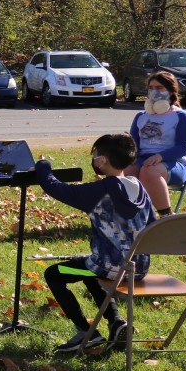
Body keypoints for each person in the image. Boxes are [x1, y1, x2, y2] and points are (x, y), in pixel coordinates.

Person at [36, 133, 155, 355]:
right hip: (137, 269)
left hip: (109, 268)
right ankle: (116, 322)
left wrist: (43, 166)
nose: (93, 158)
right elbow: (154, 226)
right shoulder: (139, 187)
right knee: (88, 268)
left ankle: (85, 332)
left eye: (95, 155)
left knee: (55, 273)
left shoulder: (100, 191)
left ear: (103, 160)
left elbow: (57, 188)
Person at [127, 71, 186, 217]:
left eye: (159, 88)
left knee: (149, 171)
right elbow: (133, 145)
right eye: (151, 88)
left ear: (171, 92)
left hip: (174, 163)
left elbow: (184, 148)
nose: (154, 92)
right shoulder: (140, 116)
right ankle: (129, 217)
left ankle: (166, 217)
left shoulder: (182, 116)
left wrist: (160, 156)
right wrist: (129, 158)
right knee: (122, 171)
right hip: (144, 160)